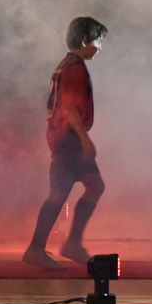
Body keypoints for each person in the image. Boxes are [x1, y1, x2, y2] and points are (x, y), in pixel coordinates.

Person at [23, 17, 108, 268]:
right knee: (58, 194)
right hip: (67, 139)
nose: (100, 47)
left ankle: (71, 243)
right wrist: (85, 139)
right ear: (84, 40)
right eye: (99, 41)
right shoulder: (75, 68)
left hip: (63, 137)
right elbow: (69, 109)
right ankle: (36, 248)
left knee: (94, 186)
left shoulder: (66, 64)